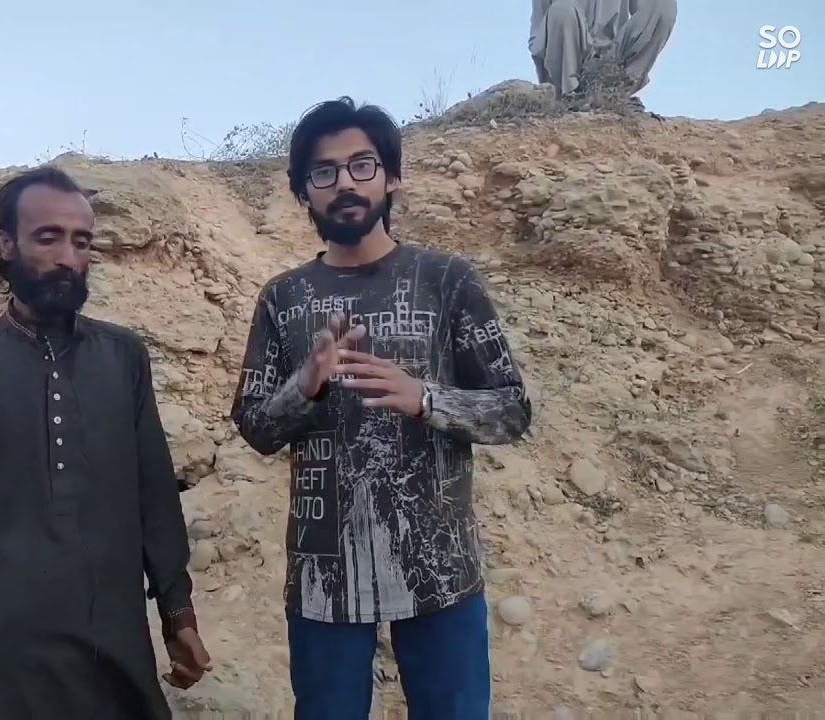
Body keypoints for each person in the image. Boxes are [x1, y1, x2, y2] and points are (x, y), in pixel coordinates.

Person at [230, 97, 532, 720]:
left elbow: (512, 409)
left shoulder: (448, 280)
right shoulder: (283, 298)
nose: (344, 182)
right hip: (324, 581)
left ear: (391, 177)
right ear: (303, 192)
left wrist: (426, 398)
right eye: (324, 171)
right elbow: (256, 427)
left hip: (441, 570)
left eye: (362, 165)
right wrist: (306, 383)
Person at [0, 165, 212, 720]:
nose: (68, 256)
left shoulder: (123, 359)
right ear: (5, 244)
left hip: (112, 650)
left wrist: (176, 611)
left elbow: (154, 495)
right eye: (48, 237)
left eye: (81, 241)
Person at [529, 0, 676, 98]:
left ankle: (614, 92)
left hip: (612, 58)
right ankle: (571, 95)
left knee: (663, 5)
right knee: (561, 10)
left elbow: (652, 15)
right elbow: (537, 35)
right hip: (568, 57)